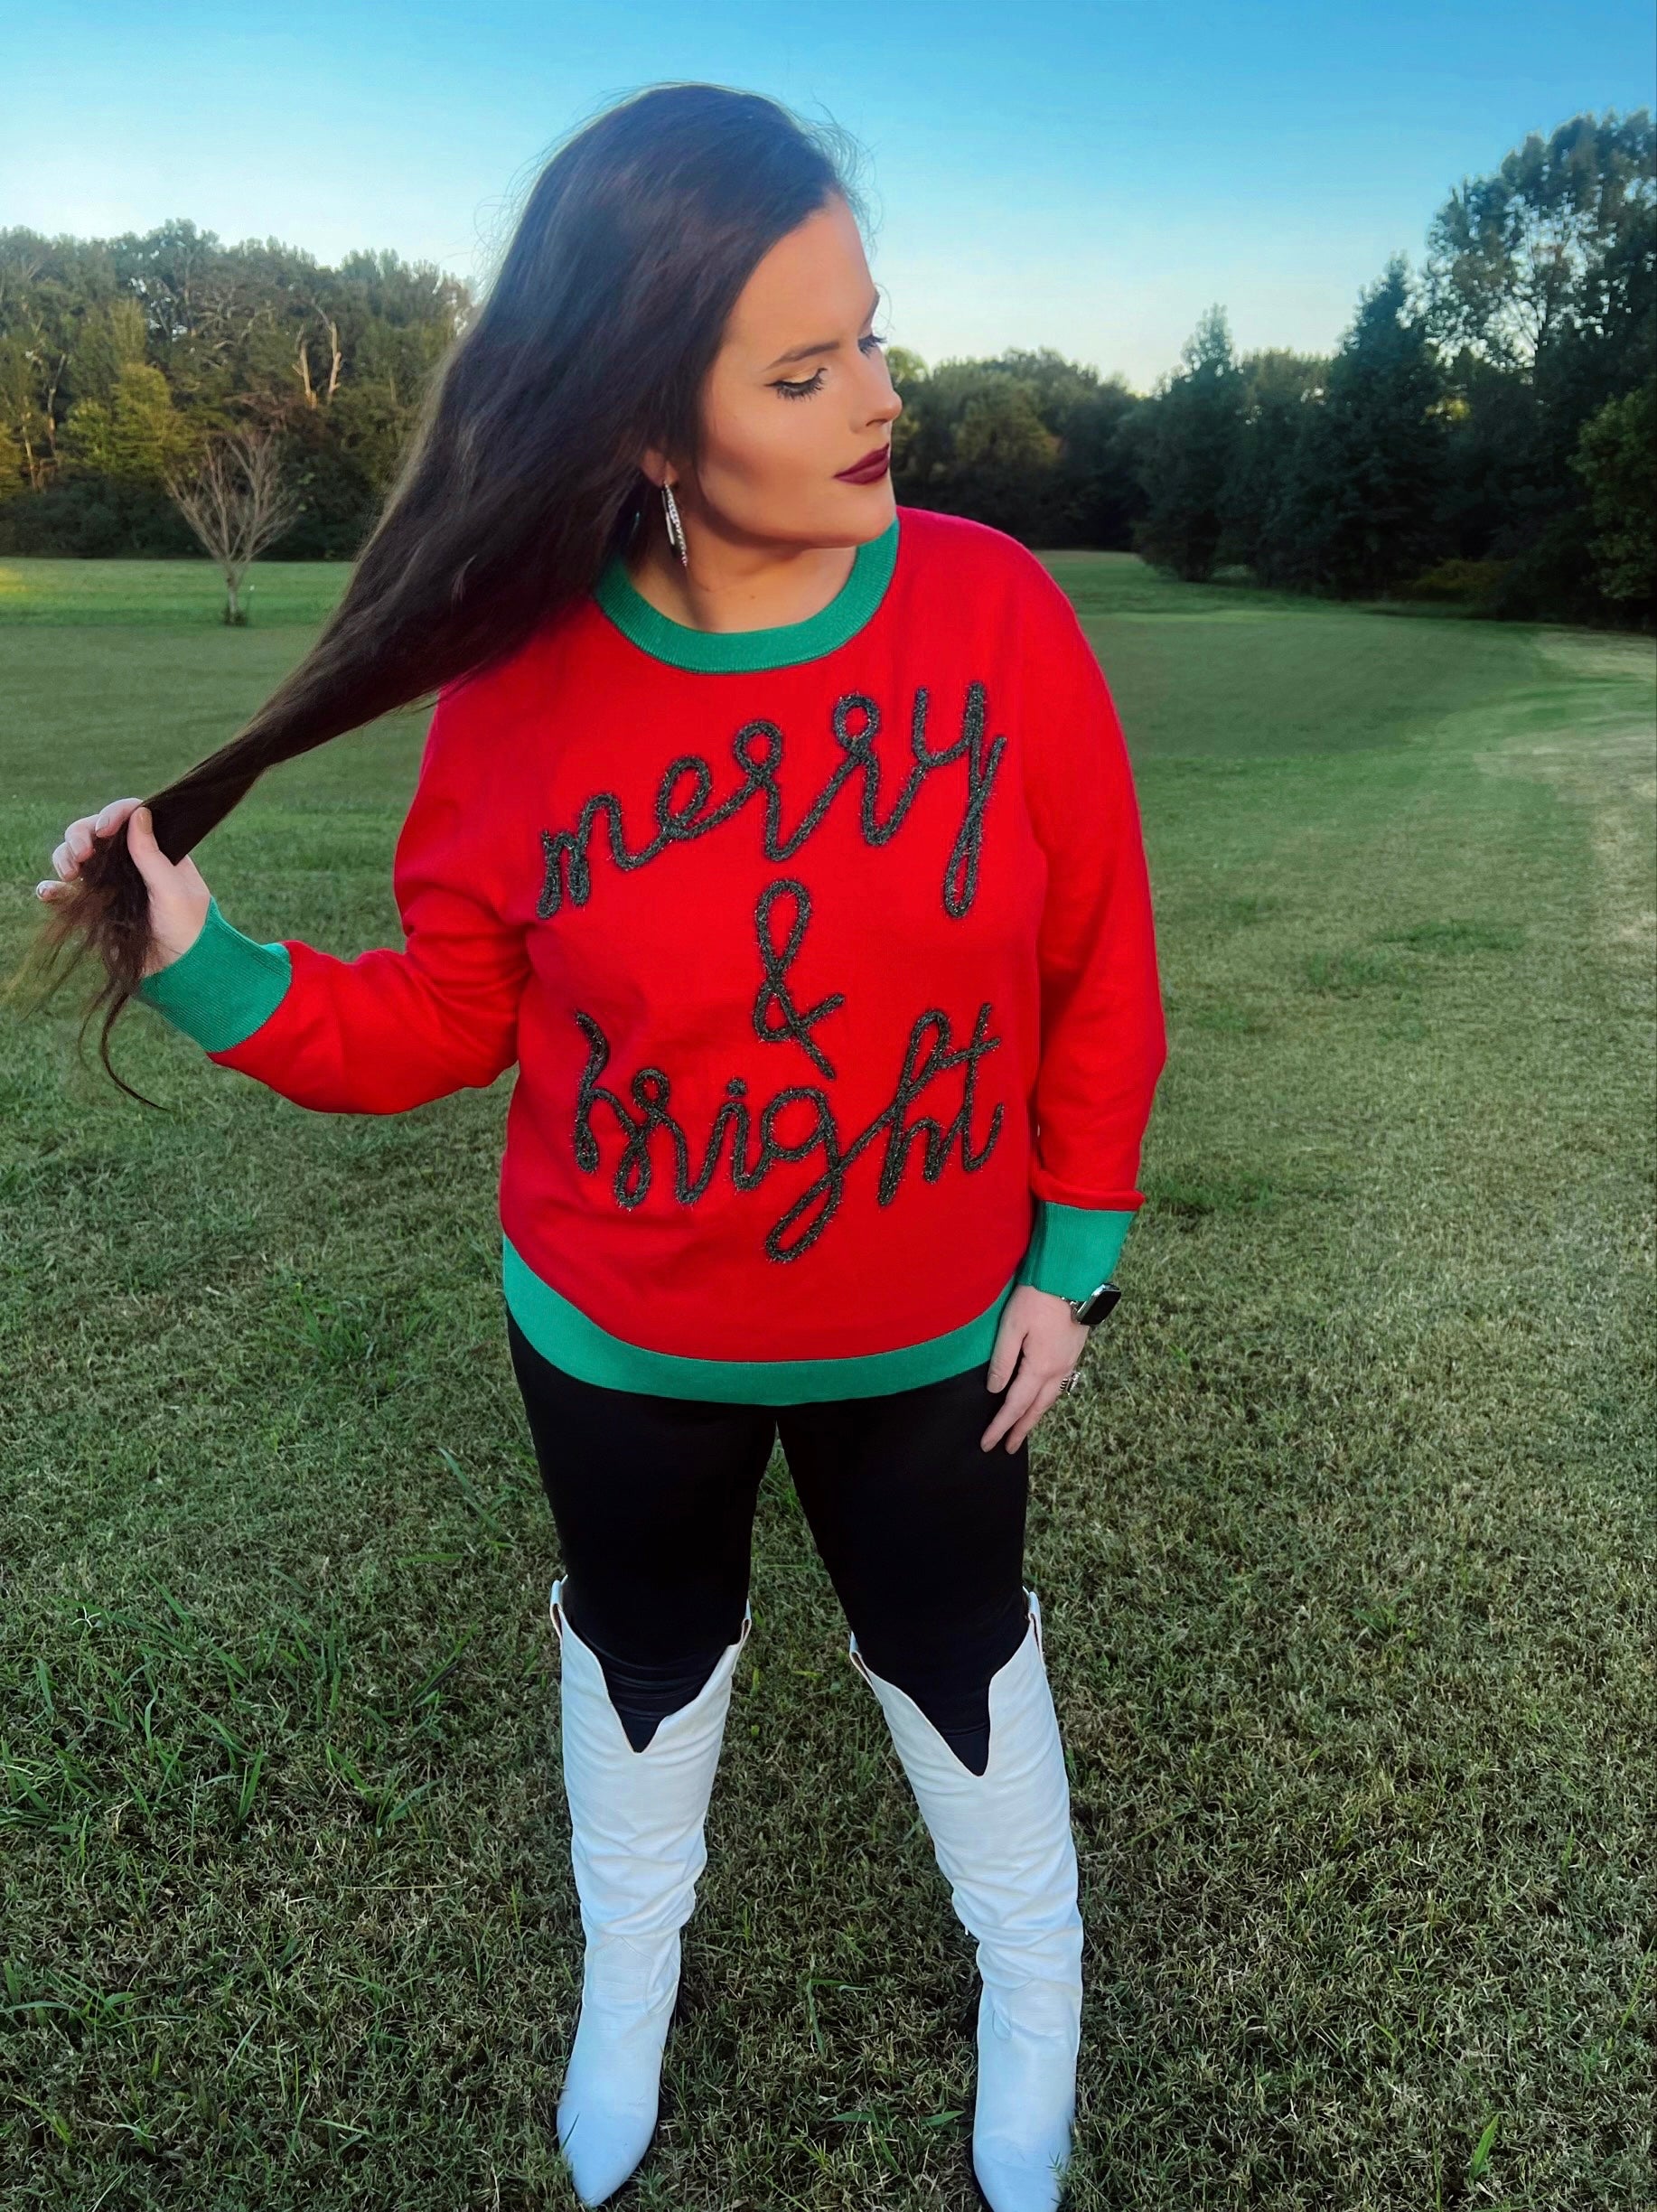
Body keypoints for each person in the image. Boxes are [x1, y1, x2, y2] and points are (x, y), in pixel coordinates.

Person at [31, 82, 1166, 2212]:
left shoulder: (995, 610)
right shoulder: (523, 690)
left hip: (933, 1340)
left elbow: (1095, 959)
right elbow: (439, 1025)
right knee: (644, 1661)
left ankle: (1033, 1980)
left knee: (956, 1651)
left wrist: (1072, 1252)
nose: (881, 402)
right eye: (804, 371)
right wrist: (201, 958)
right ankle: (625, 1975)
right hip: (618, 1346)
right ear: (649, 423)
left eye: (872, 339)